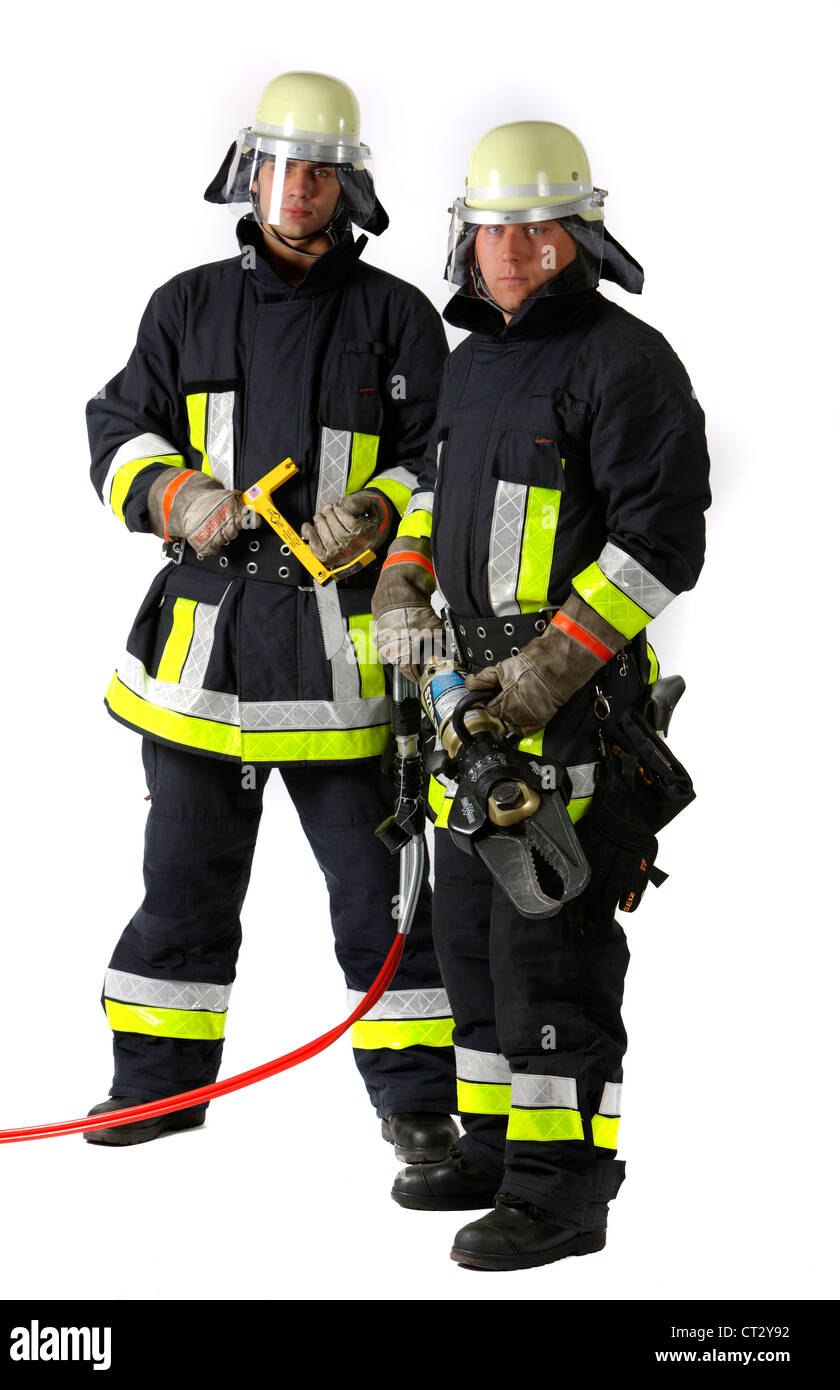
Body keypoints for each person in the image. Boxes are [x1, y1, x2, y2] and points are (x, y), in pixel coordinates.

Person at [84, 71, 458, 1161]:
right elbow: (116, 428)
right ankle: (153, 1089)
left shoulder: (395, 317)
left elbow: (445, 459)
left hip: (343, 660)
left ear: (347, 185)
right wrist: (176, 495)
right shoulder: (186, 303)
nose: (298, 189)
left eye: (320, 171)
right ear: (253, 172)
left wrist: (384, 508)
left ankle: (420, 1106)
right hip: (205, 659)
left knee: (382, 903)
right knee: (182, 886)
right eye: (283, 167)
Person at [372, 121, 711, 1267]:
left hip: (563, 720)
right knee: (469, 953)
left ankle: (563, 1193)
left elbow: (656, 549)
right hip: (463, 713)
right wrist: (404, 576)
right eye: (487, 231)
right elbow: (432, 493)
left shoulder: (626, 363)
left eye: (532, 233)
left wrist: (541, 673)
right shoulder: (470, 364)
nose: (507, 254)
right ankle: (494, 1147)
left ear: (578, 236)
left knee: (549, 966)